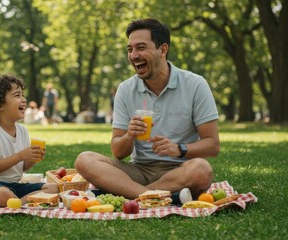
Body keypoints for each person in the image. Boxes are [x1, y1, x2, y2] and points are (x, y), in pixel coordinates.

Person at [75, 18, 220, 206]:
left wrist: (179, 149)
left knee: (202, 169)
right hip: (139, 171)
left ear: (163, 50)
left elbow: (212, 145)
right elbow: (118, 152)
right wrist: (129, 136)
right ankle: (156, 197)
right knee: (84, 160)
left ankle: (131, 193)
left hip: (180, 170)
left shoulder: (195, 84)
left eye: (141, 48)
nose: (134, 55)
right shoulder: (126, 89)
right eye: (130, 49)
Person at [0, 75, 58, 208]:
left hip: (14, 185)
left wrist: (32, 158)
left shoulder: (22, 131)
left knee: (53, 188)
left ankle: (16, 202)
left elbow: (22, 167)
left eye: (23, 95)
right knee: (2, 194)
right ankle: (18, 201)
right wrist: (20, 156)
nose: (24, 99)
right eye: (17, 95)